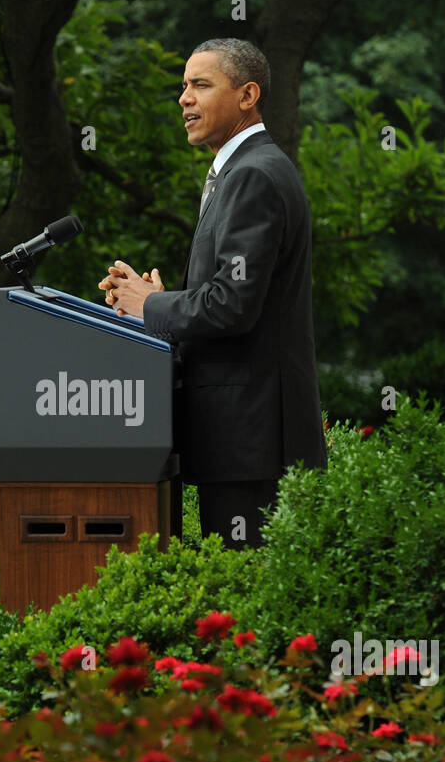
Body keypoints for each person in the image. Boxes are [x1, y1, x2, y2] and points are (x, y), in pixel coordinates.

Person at [99, 38, 327, 549]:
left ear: (247, 95)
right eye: (183, 86)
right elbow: (231, 294)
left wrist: (151, 306)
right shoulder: (248, 169)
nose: (184, 98)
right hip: (249, 441)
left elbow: (232, 305)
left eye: (201, 85)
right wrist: (159, 303)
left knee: (251, 609)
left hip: (253, 442)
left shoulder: (252, 175)